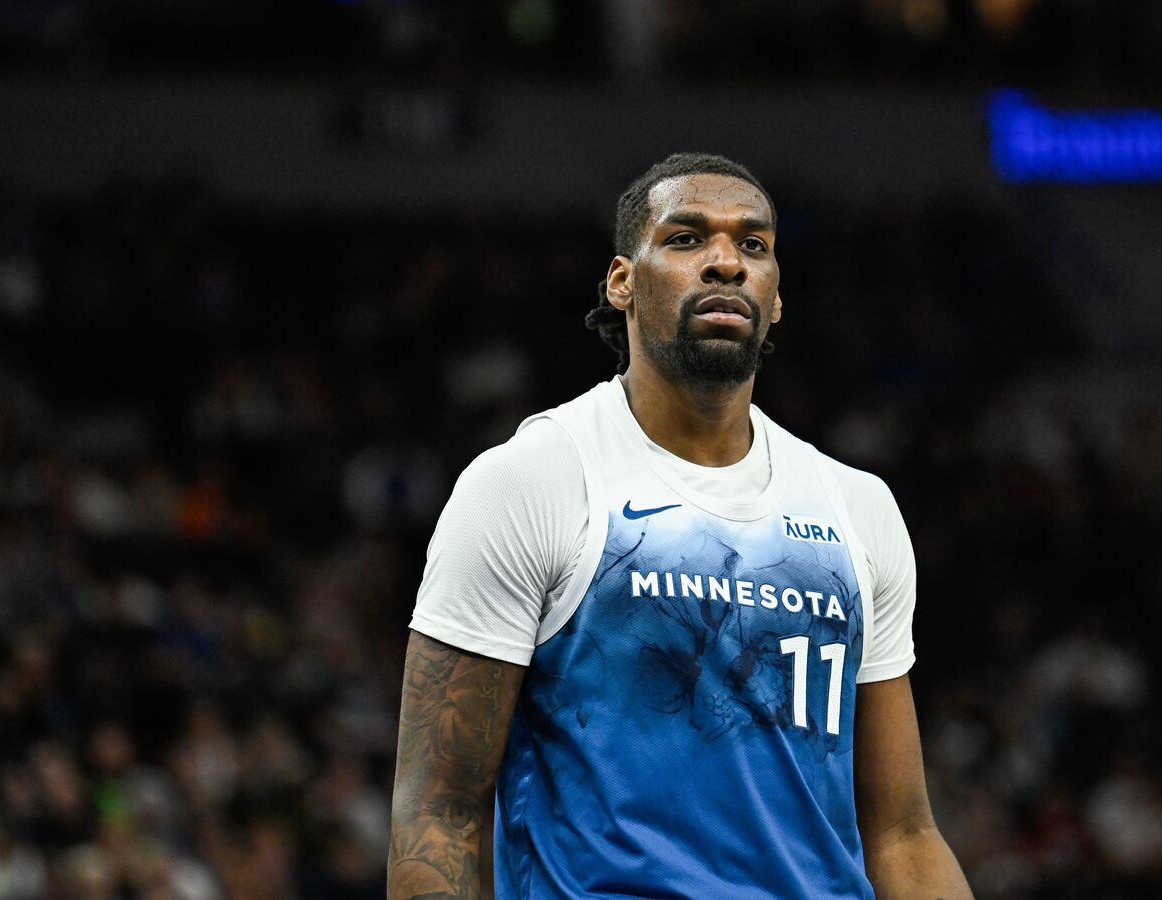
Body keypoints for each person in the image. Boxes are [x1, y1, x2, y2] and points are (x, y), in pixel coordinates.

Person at [388, 153, 971, 899]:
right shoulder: (531, 482)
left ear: (778, 297)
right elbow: (438, 813)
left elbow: (902, 834)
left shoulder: (856, 506)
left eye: (753, 245)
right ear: (622, 281)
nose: (727, 262)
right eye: (688, 238)